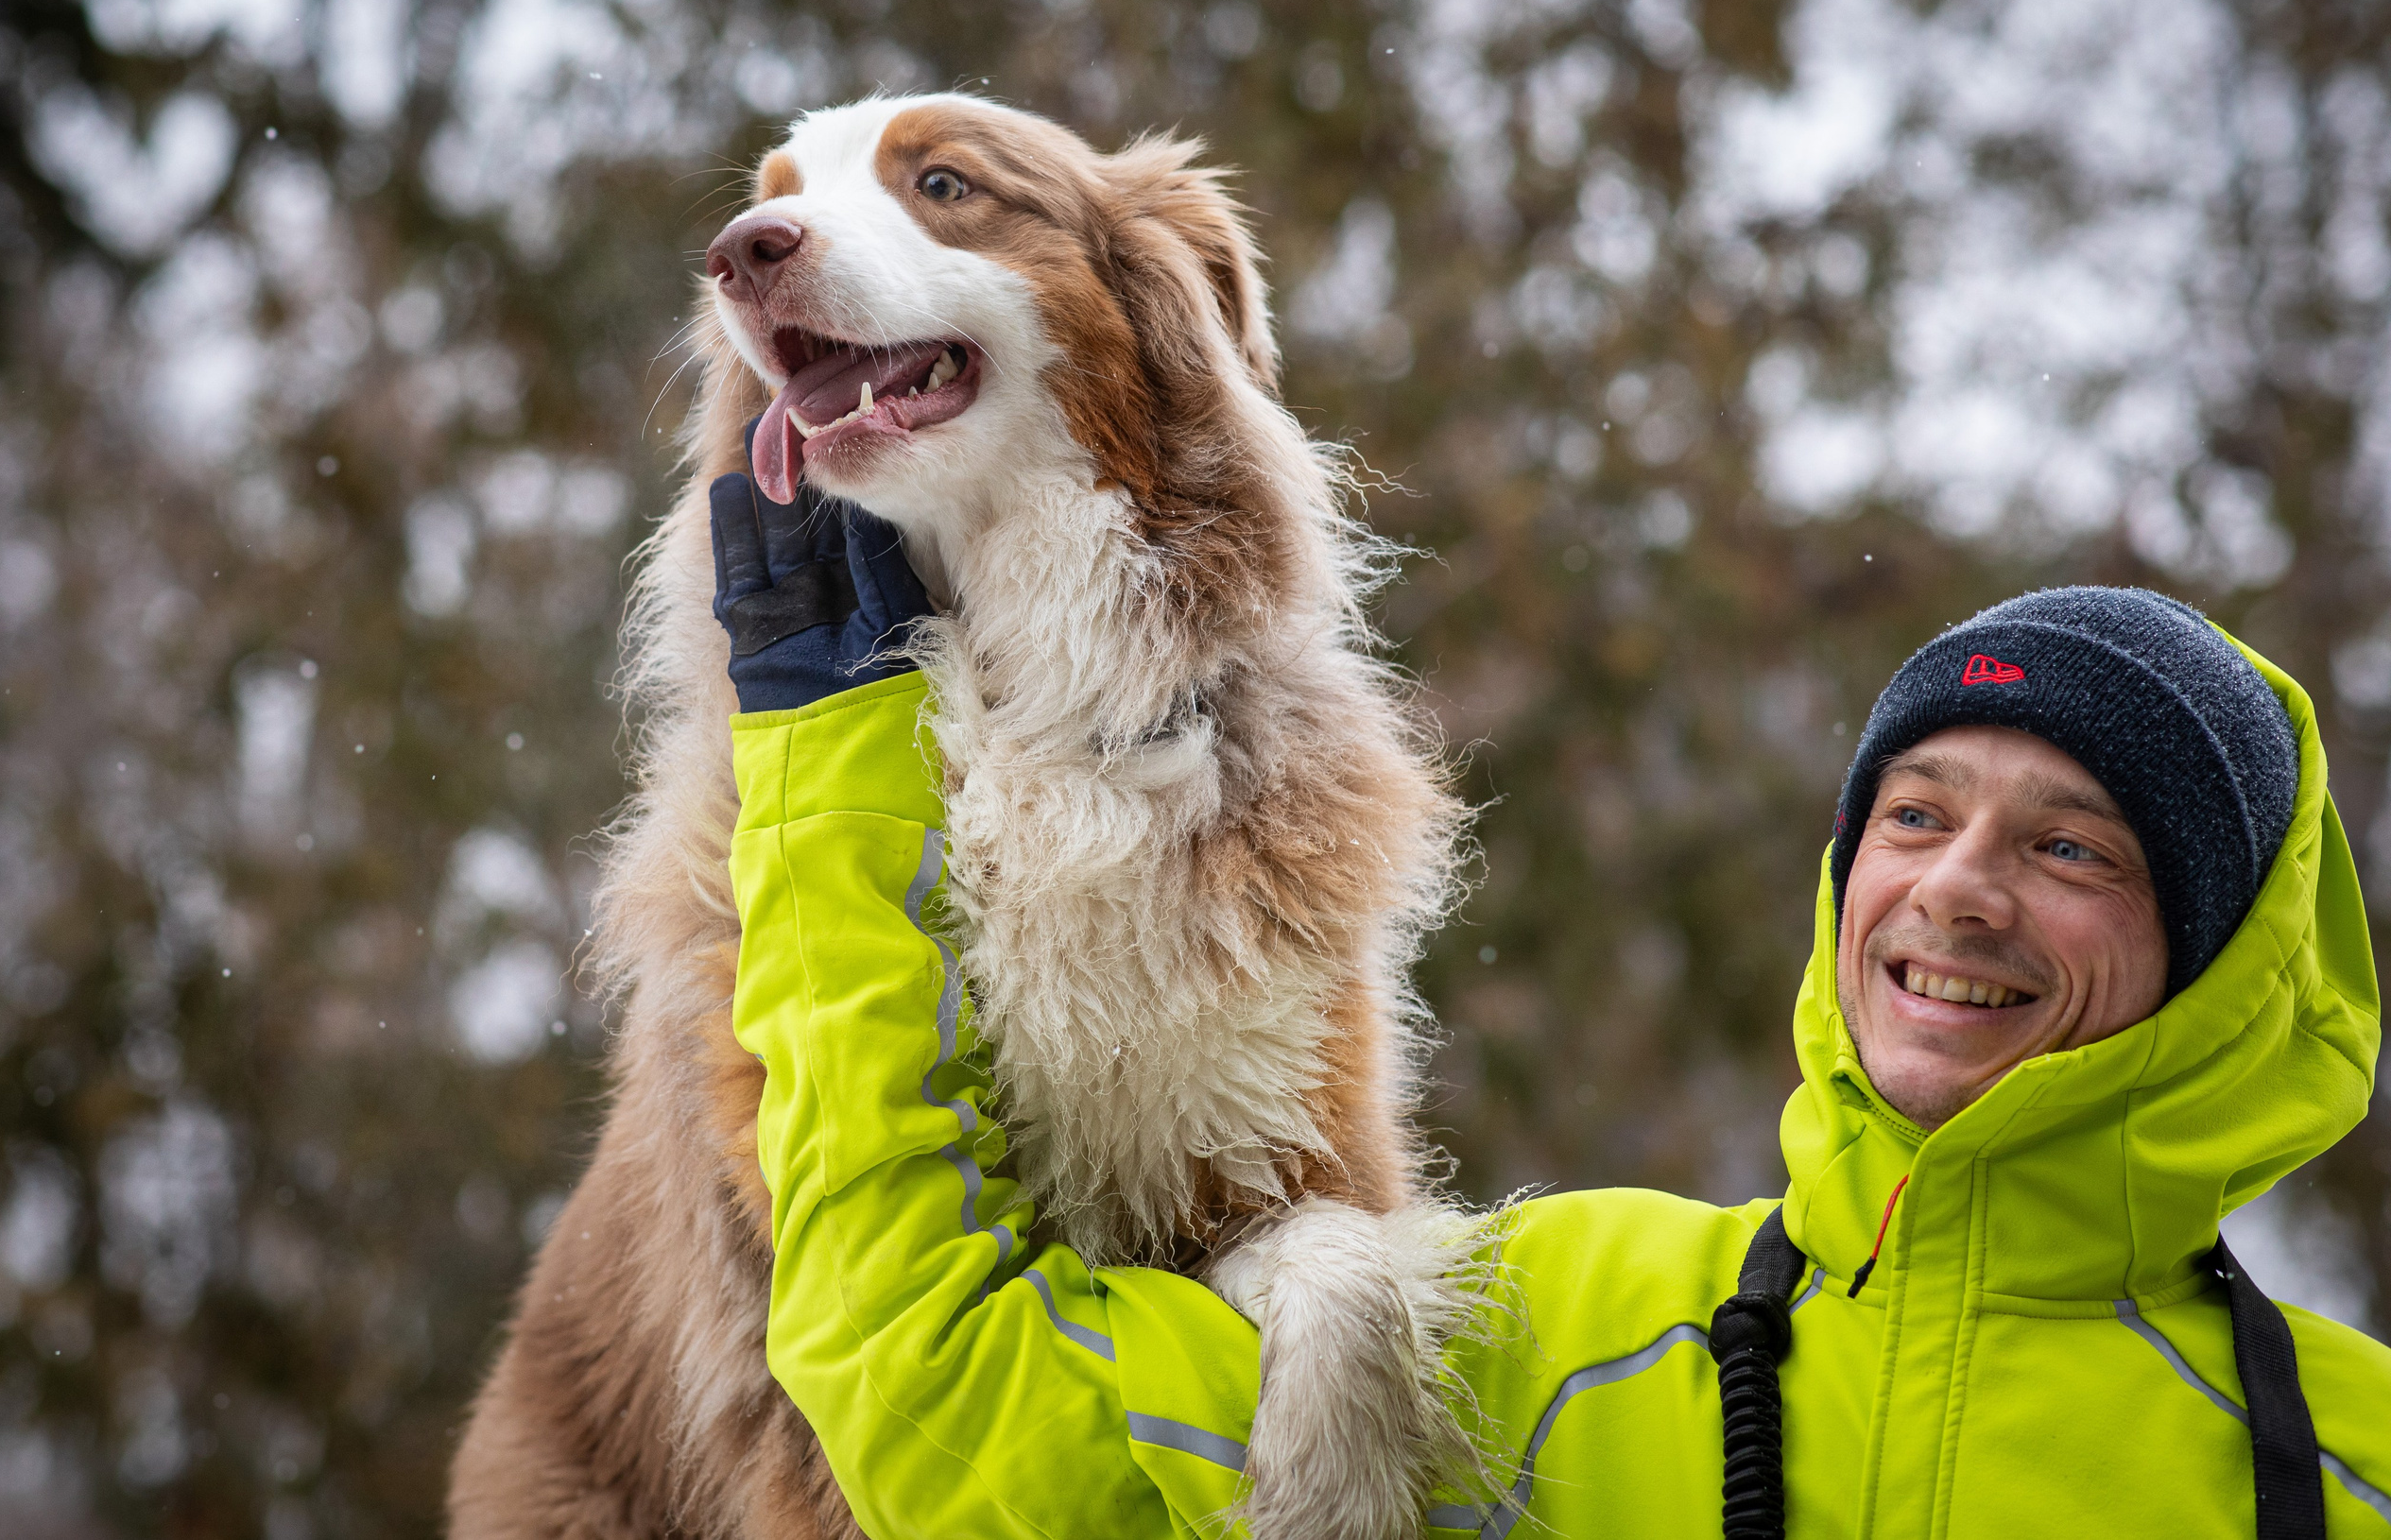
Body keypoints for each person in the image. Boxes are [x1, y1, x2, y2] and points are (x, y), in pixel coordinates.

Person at [707, 466, 2391, 1539]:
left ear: (2214, 963)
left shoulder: (2355, 1462)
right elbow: (937, 1396)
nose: (1957, 886)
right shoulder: (1546, 1335)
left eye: (2073, 846)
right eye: (1918, 813)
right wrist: (836, 789)